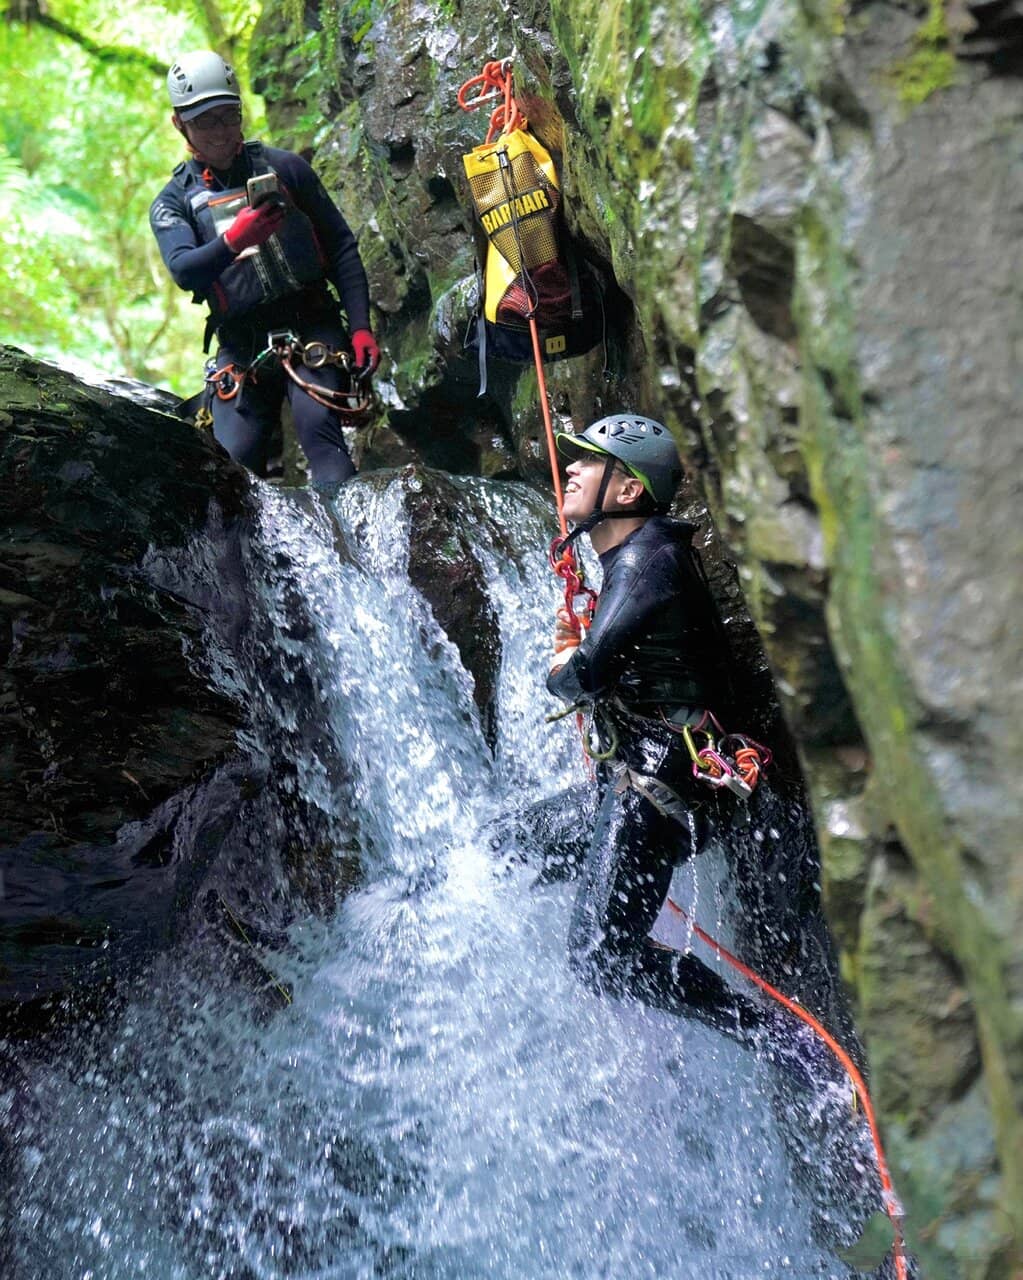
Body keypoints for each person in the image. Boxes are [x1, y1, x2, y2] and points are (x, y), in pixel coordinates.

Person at [543, 413, 768, 1039]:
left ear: (626, 490)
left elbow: (585, 673)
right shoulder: (645, 558)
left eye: (587, 461)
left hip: (658, 783)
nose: (570, 469)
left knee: (600, 957)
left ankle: (770, 1035)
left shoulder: (649, 559)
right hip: (641, 777)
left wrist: (564, 662)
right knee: (502, 854)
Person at [149, 50, 380, 491]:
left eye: (228, 116)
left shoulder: (288, 169)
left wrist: (361, 328)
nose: (220, 132)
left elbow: (342, 247)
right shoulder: (173, 203)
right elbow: (184, 270)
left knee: (322, 439)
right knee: (231, 467)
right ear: (181, 124)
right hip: (241, 346)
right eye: (205, 122)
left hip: (312, 328)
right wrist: (235, 239)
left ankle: (352, 550)